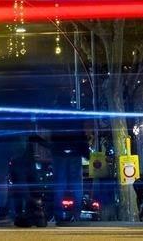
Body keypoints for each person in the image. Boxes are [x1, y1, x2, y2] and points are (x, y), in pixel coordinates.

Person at [48, 92, 87, 224]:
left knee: (59, 183)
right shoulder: (76, 114)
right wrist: (85, 151)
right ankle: (77, 214)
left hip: (59, 151)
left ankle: (58, 214)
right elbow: (82, 134)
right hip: (75, 151)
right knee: (76, 183)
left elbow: (45, 124)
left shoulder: (54, 114)